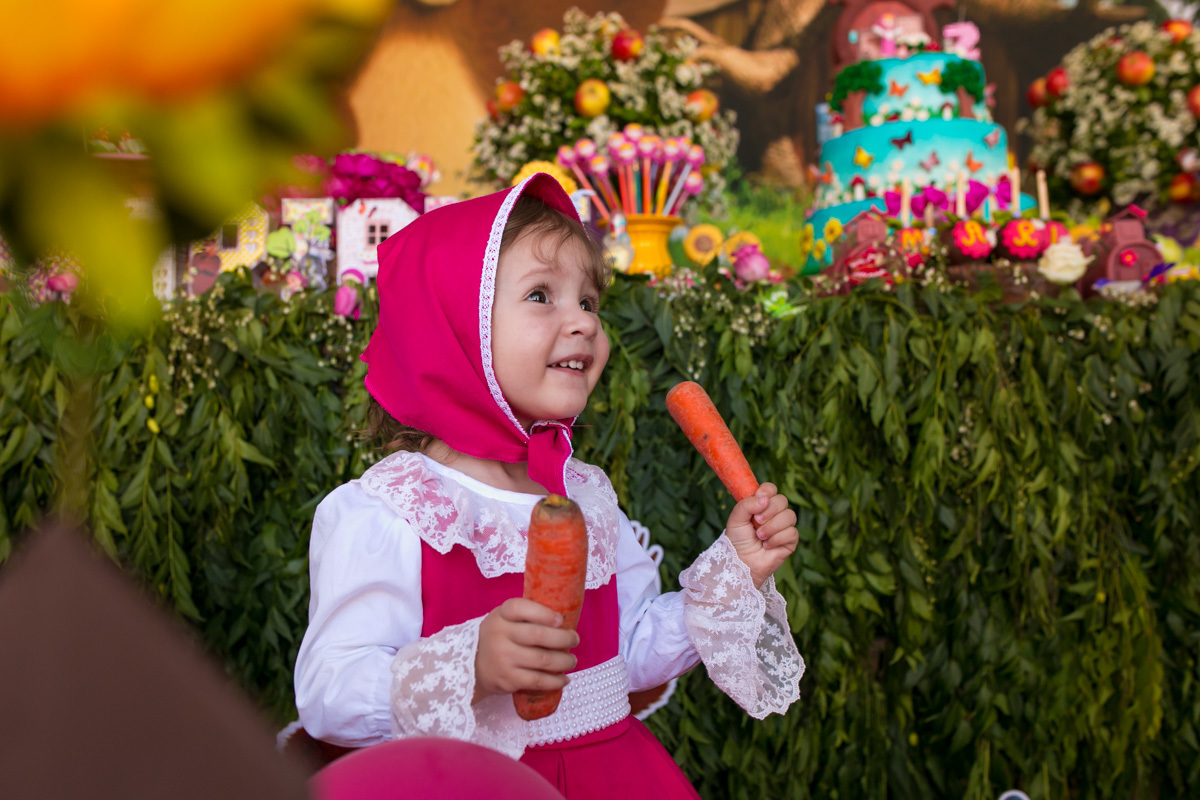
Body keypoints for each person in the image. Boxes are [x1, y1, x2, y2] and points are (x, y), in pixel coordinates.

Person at [293, 174, 805, 798]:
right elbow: (329, 695)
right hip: (474, 785)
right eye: (542, 296)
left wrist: (736, 570)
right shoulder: (392, 510)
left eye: (589, 302)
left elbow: (631, 653)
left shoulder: (583, 492)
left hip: (612, 776)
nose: (583, 322)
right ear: (455, 329)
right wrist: (471, 665)